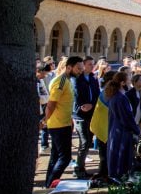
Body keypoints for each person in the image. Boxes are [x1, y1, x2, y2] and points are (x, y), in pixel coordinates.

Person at [43, 56, 83, 187]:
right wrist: (45, 120)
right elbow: (52, 103)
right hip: (58, 125)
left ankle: (48, 184)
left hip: (64, 123)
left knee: (55, 156)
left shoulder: (68, 80)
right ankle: (51, 184)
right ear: (69, 67)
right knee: (65, 158)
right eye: (78, 68)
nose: (80, 71)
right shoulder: (61, 81)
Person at [106, 72, 141, 182]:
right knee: (120, 156)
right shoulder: (120, 98)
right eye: (128, 78)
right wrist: (137, 130)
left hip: (117, 129)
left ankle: (117, 175)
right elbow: (126, 117)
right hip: (121, 132)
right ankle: (117, 176)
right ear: (122, 83)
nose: (130, 80)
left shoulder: (117, 96)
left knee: (117, 155)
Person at [72, 56, 100, 179]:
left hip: (91, 112)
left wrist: (92, 104)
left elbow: (97, 93)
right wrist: (82, 105)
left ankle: (81, 167)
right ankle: (78, 169)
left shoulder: (93, 78)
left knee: (88, 140)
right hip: (80, 114)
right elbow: (75, 93)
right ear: (83, 65)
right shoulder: (77, 78)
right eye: (89, 64)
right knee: (84, 142)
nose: (92, 66)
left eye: (93, 64)